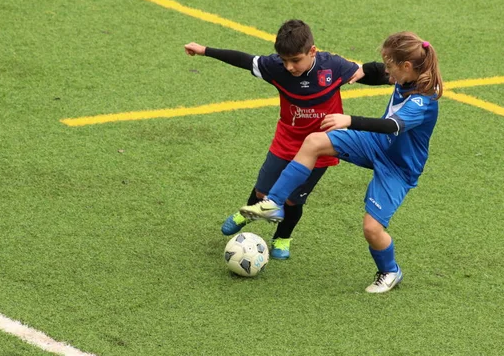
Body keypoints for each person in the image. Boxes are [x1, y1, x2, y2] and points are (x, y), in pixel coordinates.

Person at [240, 31, 443, 293]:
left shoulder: (424, 99)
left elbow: (392, 125)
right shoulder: (408, 73)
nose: (387, 73)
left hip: (398, 167)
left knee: (371, 229)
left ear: (406, 66)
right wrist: (357, 71)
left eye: (390, 67)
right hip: (376, 144)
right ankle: (273, 203)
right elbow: (374, 71)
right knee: (314, 141)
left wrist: (349, 120)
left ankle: (390, 271)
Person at [184, 19, 362, 259]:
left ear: (312, 51)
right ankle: (245, 214)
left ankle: (282, 238)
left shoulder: (334, 67)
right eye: (284, 60)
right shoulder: (275, 66)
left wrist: (405, 79)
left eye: (295, 60)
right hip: (286, 141)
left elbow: (372, 75)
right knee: (262, 192)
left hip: (321, 147)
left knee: (292, 200)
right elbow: (244, 60)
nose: (289, 67)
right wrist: (205, 50)